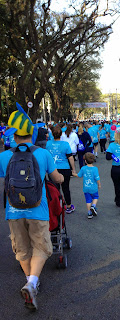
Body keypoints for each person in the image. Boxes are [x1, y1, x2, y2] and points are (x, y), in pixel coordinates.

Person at [0, 106, 64, 310]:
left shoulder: (3, 157)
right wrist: (61, 177)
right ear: (32, 132)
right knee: (41, 246)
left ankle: (30, 280)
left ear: (14, 133)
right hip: (39, 209)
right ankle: (32, 282)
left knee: (22, 248)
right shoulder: (43, 153)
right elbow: (56, 178)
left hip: (13, 210)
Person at [46, 125, 76, 214]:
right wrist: (73, 169)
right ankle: (69, 206)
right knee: (66, 188)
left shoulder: (48, 144)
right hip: (65, 169)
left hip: (52, 169)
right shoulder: (65, 144)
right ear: (61, 134)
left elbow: (46, 157)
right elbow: (70, 158)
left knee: (54, 189)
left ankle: (56, 207)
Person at [72, 152, 101, 219]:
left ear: (85, 161)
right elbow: (97, 178)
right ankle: (93, 206)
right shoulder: (95, 169)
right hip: (93, 187)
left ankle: (89, 213)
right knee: (95, 197)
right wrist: (99, 185)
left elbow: (79, 175)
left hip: (86, 188)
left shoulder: (83, 168)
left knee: (88, 200)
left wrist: (74, 174)